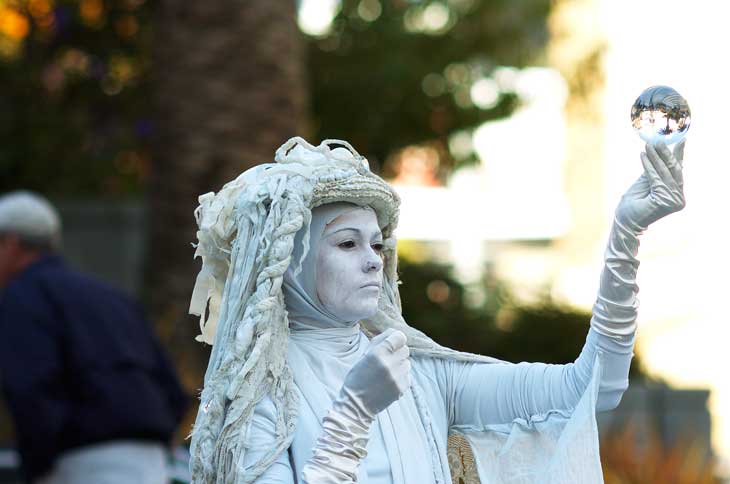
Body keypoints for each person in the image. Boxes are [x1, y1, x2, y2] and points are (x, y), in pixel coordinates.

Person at [186, 137, 686, 483]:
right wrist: (355, 409)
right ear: (289, 262)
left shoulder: (418, 373)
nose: (371, 261)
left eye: (377, 245)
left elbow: (590, 390)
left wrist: (627, 234)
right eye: (345, 243)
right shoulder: (256, 394)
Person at [0, 191, 190, 484]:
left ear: (11, 244)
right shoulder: (112, 296)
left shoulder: (22, 295)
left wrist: (37, 464)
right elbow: (172, 390)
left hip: (81, 465)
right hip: (153, 465)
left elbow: (31, 387)